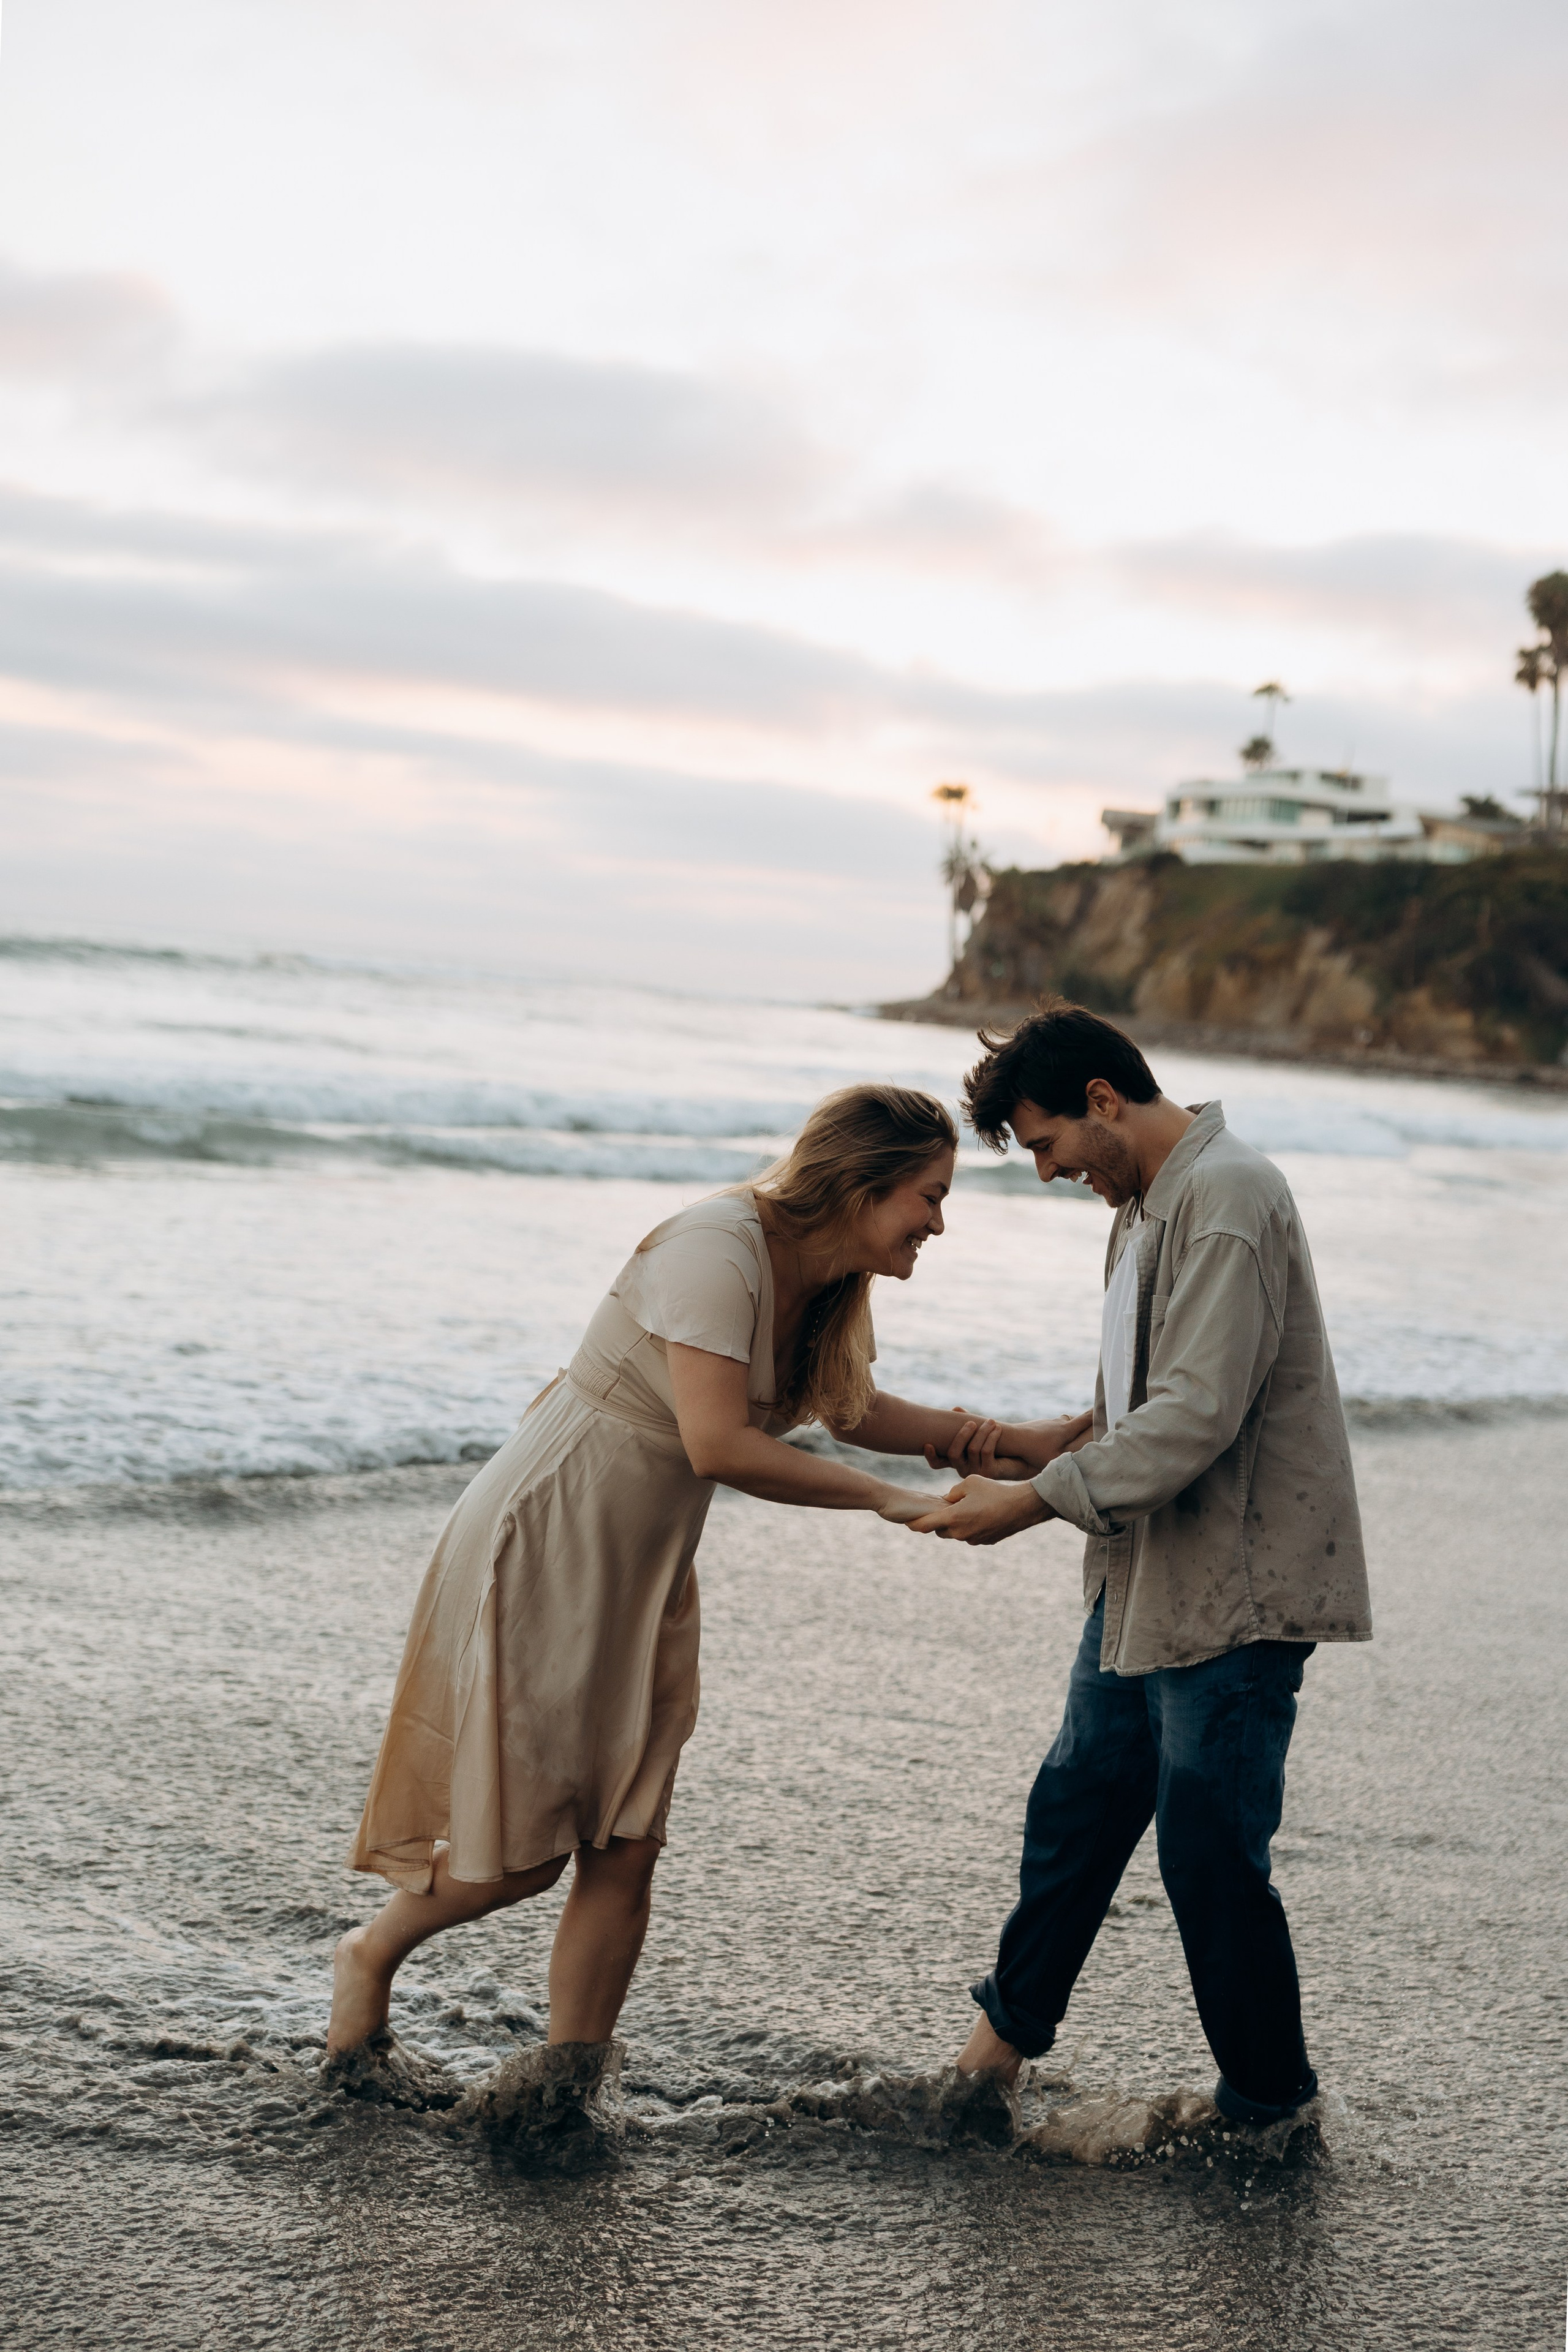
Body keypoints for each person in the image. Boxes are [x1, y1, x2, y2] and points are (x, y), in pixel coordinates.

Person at [328, 1082, 1047, 2056]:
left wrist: (1007, 1441)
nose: (940, 1223)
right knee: (525, 1856)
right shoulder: (717, 1248)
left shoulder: (825, 1279)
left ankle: (569, 2079)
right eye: (931, 1196)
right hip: (553, 1542)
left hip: (646, 1571)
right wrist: (885, 1500)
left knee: (626, 1844)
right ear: (862, 1185)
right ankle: (369, 1956)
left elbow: (845, 1406)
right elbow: (719, 1445)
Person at [908, 1003, 1373, 2126]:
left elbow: (1196, 1416)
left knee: (1209, 1855)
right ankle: (988, 2064)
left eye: (1048, 1144)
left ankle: (1270, 2108)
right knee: (1074, 1810)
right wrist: (1042, 1445)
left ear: (1104, 1101)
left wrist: (1033, 1503)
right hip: (1141, 1577)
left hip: (1234, 1595)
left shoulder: (1227, 1199)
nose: (1048, 1171)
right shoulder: (1145, 1204)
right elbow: (1145, 1401)